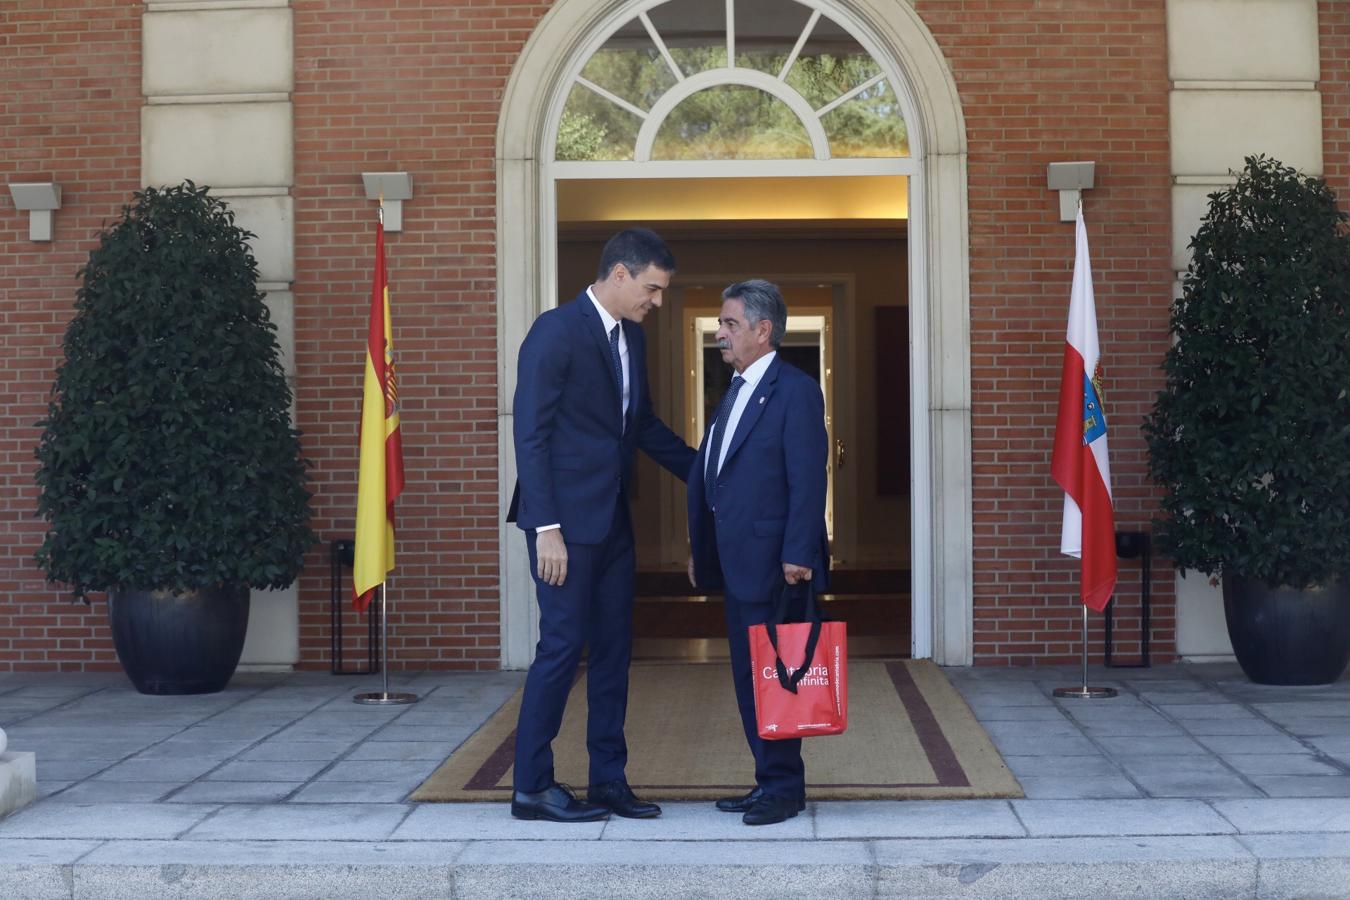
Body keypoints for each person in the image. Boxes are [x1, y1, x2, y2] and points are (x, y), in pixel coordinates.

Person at [507, 228, 696, 823]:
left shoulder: (631, 340)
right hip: (563, 527)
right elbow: (530, 435)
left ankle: (608, 780)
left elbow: (640, 427)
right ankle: (531, 786)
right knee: (562, 648)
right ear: (619, 274)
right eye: (652, 289)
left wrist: (710, 473)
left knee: (615, 650)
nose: (656, 302)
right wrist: (546, 528)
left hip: (613, 521)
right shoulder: (554, 331)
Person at [686, 279, 830, 826]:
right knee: (750, 677)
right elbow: (715, 472)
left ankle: (784, 788)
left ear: (762, 330)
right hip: (738, 561)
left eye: (730, 325)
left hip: (776, 564)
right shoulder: (735, 389)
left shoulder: (794, 390)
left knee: (778, 677)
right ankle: (766, 779)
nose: (720, 334)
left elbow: (806, 476)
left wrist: (799, 552)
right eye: (721, 325)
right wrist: (701, 546)